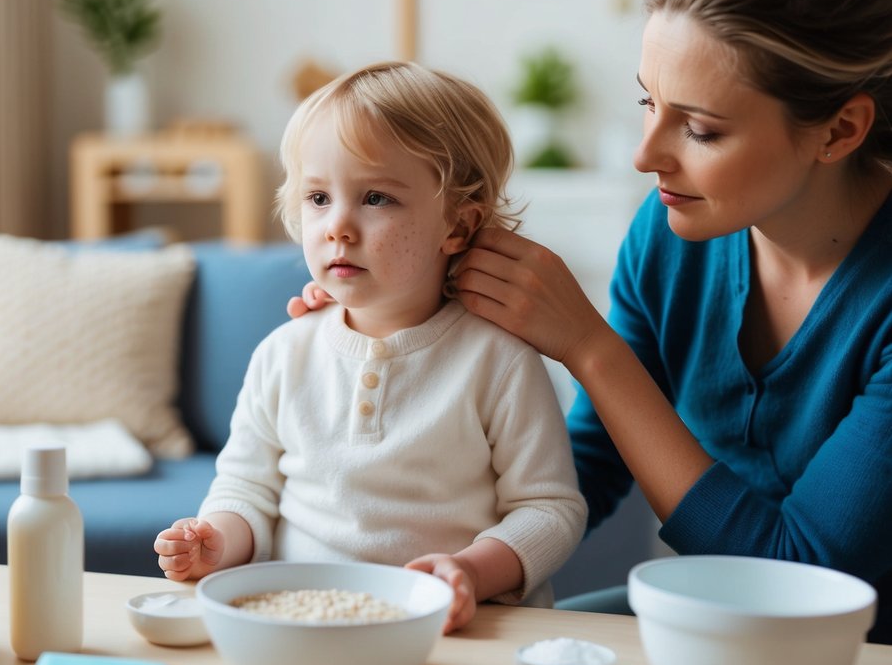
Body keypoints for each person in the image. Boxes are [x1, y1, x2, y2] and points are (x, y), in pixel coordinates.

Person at [293, 0, 892, 644]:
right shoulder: (670, 230)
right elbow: (588, 467)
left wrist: (587, 347)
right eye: (648, 102)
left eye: (699, 128)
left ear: (840, 130)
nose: (645, 155)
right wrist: (400, 331)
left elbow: (794, 575)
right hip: (711, 626)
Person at [154, 62, 587, 634]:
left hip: (456, 632)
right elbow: (245, 488)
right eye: (317, 197)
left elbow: (550, 511)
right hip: (302, 623)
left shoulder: (498, 359)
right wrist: (216, 539)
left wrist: (472, 572)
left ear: (457, 226)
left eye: (376, 197)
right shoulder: (284, 354)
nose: (337, 225)